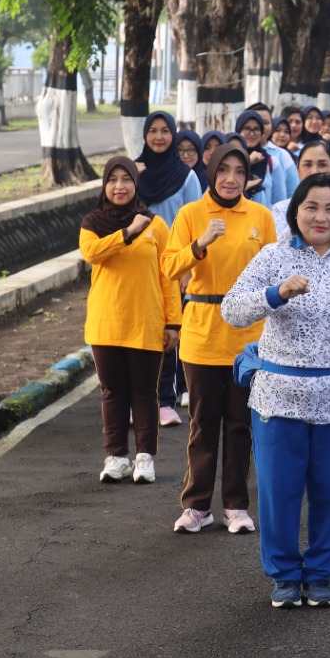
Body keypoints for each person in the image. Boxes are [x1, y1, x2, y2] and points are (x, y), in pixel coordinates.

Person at [220, 174, 330, 609]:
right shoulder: (273, 258)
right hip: (278, 400)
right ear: (295, 212)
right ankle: (283, 574)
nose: (321, 216)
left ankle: (320, 574)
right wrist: (275, 294)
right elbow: (232, 310)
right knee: (279, 491)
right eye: (311, 207)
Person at [163, 142, 278, 534]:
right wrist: (199, 245)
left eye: (239, 172)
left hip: (247, 336)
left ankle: (235, 505)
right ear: (211, 173)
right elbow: (169, 266)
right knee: (202, 423)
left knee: (240, 425)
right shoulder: (191, 214)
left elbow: (274, 271)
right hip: (201, 330)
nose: (231, 179)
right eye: (223, 170)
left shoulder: (260, 217)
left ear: (247, 177)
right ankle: (196, 505)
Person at [81, 158, 181, 484]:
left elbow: (168, 277)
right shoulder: (92, 223)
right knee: (112, 392)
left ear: (136, 185)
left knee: (143, 392)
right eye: (113, 179)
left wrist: (173, 323)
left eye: (127, 179)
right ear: (104, 185)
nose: (120, 186)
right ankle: (115, 457)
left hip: (146, 321)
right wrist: (127, 233)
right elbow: (93, 253)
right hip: (106, 322)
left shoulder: (156, 225)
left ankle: (144, 457)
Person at [136, 114, 203, 428]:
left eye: (165, 131)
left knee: (169, 332)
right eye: (153, 131)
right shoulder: (133, 172)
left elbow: (196, 223)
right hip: (137, 267)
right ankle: (138, 400)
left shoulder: (186, 177)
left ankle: (164, 399)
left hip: (175, 267)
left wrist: (190, 267)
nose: (159, 137)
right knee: (139, 334)